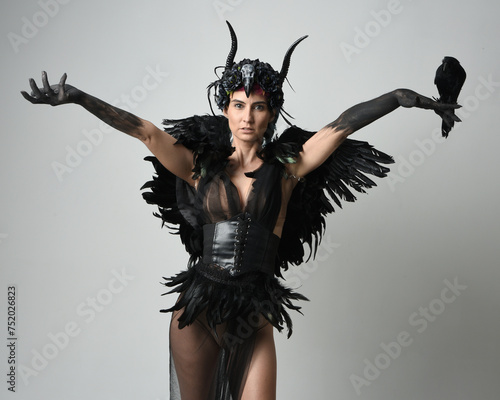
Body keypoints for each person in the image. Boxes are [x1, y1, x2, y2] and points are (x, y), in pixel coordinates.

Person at [21, 22, 460, 400]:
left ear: (271, 115)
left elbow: (345, 123)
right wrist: (78, 97)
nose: (247, 116)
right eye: (238, 105)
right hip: (198, 310)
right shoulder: (198, 167)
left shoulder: (290, 167)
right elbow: (146, 132)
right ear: (226, 110)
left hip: (254, 310)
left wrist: (407, 98)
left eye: (258, 106)